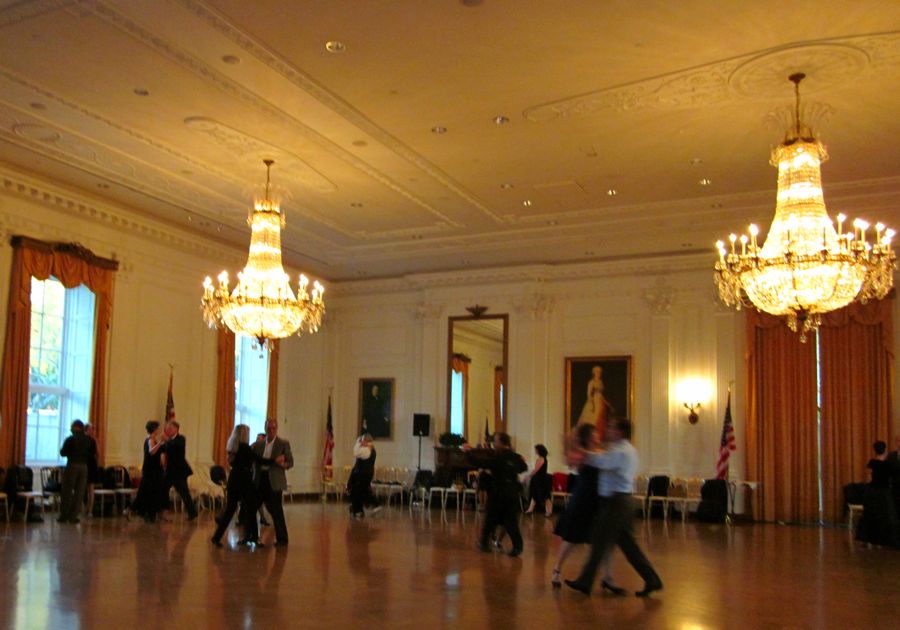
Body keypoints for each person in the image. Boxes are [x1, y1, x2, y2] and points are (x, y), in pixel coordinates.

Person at [566, 417, 663, 597]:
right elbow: (601, 458)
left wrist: (580, 450)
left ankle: (585, 581)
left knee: (599, 541)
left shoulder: (621, 451)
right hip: (621, 501)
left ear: (620, 432)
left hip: (615, 502)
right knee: (629, 546)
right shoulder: (624, 449)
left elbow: (601, 462)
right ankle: (652, 579)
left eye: (611, 427)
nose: (607, 430)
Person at [550, 423, 622, 593]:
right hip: (583, 498)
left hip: (599, 500)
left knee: (603, 541)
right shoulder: (582, 454)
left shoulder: (601, 452)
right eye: (595, 433)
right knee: (571, 539)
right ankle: (556, 570)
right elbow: (570, 460)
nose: (598, 435)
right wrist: (569, 441)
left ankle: (608, 577)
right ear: (589, 437)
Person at [467, 432, 528, 557]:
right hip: (512, 493)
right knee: (511, 522)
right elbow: (523, 467)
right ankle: (517, 547)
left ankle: (484, 544)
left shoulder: (497, 458)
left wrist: (468, 452)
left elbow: (480, 462)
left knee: (490, 519)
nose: (494, 444)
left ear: (501, 443)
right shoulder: (515, 457)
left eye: (495, 441)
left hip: (499, 493)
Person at [212, 424, 273, 547]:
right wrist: (274, 460)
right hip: (244, 480)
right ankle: (254, 538)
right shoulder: (245, 447)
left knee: (230, 510)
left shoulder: (233, 447)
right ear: (245, 434)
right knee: (251, 509)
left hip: (233, 479)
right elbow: (259, 460)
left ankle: (216, 537)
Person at [252, 418, 293, 546]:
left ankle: (282, 538)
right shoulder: (258, 444)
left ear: (277, 429)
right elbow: (254, 460)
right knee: (251, 507)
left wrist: (282, 463)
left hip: (274, 480)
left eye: (274, 428)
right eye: (269, 428)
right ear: (265, 429)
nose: (271, 430)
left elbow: (290, 463)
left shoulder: (283, 443)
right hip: (260, 479)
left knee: (276, 510)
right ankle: (252, 536)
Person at [856, 441, 900, 548]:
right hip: (884, 493)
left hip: (872, 492)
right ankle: (882, 541)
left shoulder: (872, 462)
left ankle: (868, 540)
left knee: (870, 515)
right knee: (885, 517)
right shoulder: (888, 465)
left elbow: (868, 478)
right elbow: (892, 478)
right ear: (885, 450)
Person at [58, 419, 97, 524]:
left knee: (67, 490)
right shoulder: (89, 440)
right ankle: (73, 516)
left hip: (72, 465)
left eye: (72, 427)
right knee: (79, 492)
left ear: (76, 428)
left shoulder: (70, 439)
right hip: (84, 467)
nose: (71, 429)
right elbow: (92, 454)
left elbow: (63, 453)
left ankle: (64, 515)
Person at [131, 420, 167, 522]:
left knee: (151, 492)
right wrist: (161, 442)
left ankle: (149, 514)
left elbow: (159, 455)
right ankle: (143, 512)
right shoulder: (150, 440)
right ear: (154, 429)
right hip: (151, 471)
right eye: (158, 428)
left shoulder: (154, 440)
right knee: (148, 492)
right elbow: (151, 451)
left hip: (155, 470)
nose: (159, 430)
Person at [162, 421, 198, 521]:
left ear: (176, 429)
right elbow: (165, 450)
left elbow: (175, 446)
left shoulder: (181, 439)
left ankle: (192, 512)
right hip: (170, 471)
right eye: (168, 429)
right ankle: (164, 511)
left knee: (184, 492)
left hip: (179, 472)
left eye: (170, 428)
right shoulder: (168, 441)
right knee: (163, 489)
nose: (168, 430)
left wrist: (166, 441)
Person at [347, 433, 381, 519]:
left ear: (366, 441)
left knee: (358, 491)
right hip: (362, 473)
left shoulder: (367, 449)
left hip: (362, 473)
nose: (361, 442)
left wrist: (358, 443)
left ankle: (360, 509)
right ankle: (358, 508)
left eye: (362, 440)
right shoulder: (369, 449)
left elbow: (355, 452)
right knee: (360, 490)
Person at [577, 365, 610, 434]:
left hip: (600, 400)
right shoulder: (591, 382)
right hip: (594, 401)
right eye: (597, 372)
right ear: (594, 373)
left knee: (601, 416)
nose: (599, 373)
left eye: (600, 372)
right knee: (593, 417)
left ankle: (599, 433)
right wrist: (592, 404)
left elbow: (601, 394)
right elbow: (589, 394)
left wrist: (606, 402)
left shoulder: (600, 382)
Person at [524, 444, 553, 516]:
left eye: (536, 449)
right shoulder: (542, 458)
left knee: (546, 496)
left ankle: (549, 511)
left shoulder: (541, 458)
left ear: (539, 450)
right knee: (534, 494)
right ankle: (530, 510)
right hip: (538, 479)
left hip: (541, 480)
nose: (535, 451)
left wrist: (528, 476)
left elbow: (536, 470)